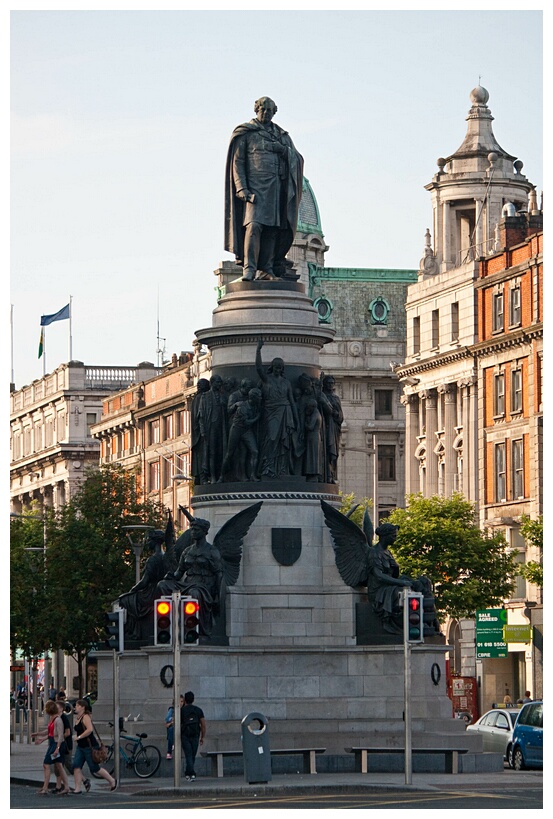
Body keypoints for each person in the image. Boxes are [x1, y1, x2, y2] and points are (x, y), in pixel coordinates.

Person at [225, 96, 304, 281]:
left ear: (274, 112)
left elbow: (298, 158)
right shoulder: (246, 133)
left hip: (276, 189)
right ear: (256, 110)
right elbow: (238, 162)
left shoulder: (281, 135)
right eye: (263, 110)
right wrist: (241, 188)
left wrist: (283, 150)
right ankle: (249, 268)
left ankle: (266, 268)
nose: (266, 113)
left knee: (272, 229)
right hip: (255, 189)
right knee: (253, 226)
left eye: (270, 111)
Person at [156, 517, 223, 637]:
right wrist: (170, 576)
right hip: (187, 583)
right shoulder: (187, 551)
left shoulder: (212, 551)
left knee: (194, 594)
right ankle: (169, 623)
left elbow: (218, 574)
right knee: (162, 585)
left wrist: (217, 595)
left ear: (204, 532)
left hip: (204, 586)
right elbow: (179, 573)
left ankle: (193, 627)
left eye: (196, 529)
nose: (193, 532)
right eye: (192, 529)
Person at [255, 339, 298, 478]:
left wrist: (296, 420)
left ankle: (281, 469)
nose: (278, 369)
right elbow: (258, 368)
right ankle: (268, 468)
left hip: (286, 412)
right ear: (272, 367)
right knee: (271, 439)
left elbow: (291, 401)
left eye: (280, 367)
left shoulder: (286, 383)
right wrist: (258, 350)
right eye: (276, 367)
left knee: (283, 442)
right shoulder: (267, 380)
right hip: (271, 412)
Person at [366, 523, 413, 634]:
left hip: (388, 587)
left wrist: (397, 569)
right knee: (401, 591)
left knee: (419, 584)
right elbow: (379, 576)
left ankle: (428, 623)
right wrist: (401, 582)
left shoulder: (387, 552)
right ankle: (393, 623)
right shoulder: (374, 552)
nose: (395, 538)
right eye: (393, 536)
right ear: (385, 536)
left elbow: (394, 574)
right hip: (379, 591)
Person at [72, 698, 116, 794]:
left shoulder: (86, 717)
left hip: (89, 746)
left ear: (83, 707)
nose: (75, 707)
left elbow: (89, 730)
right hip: (81, 746)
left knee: (94, 767)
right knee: (76, 766)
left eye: (77, 705)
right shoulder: (78, 717)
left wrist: (78, 737)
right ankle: (77, 788)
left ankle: (112, 780)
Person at [220, 387, 262, 482]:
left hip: (246, 431)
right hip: (237, 429)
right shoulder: (242, 406)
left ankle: (252, 475)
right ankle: (221, 476)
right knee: (229, 454)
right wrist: (257, 417)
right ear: (253, 397)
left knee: (254, 451)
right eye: (259, 397)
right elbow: (246, 422)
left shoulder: (256, 406)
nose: (261, 398)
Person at [31, 699, 70, 796]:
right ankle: (66, 787)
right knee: (59, 765)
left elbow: (60, 735)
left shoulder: (58, 720)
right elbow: (49, 731)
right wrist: (38, 735)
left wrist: (57, 748)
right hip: (53, 743)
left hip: (57, 744)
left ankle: (45, 788)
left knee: (47, 764)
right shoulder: (53, 718)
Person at [180, 691, 206, 781]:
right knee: (192, 755)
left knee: (188, 754)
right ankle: (190, 773)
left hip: (185, 735)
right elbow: (203, 725)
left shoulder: (182, 711)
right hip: (195, 734)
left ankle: (189, 773)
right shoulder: (198, 710)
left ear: (185, 700)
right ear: (193, 700)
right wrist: (202, 737)